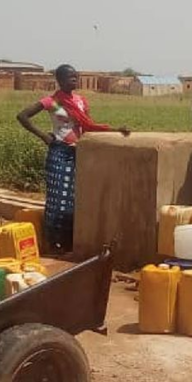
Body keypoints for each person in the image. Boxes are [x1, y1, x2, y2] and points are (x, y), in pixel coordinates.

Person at [18, 64, 128, 253]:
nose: (74, 80)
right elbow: (22, 116)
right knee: (58, 200)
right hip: (60, 152)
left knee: (74, 201)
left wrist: (115, 130)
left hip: (79, 154)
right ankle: (54, 243)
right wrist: (44, 136)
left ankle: (69, 242)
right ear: (59, 81)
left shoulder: (81, 101)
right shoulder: (52, 102)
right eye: (70, 77)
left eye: (76, 76)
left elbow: (88, 126)